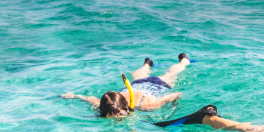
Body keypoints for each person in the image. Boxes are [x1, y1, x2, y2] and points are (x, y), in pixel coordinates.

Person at [61, 54, 189, 117]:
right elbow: (90, 98)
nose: (116, 117)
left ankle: (183, 61)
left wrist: (170, 106)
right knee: (138, 76)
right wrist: (73, 96)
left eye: (119, 114)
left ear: (125, 107)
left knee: (171, 74)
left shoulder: (145, 105)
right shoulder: (105, 105)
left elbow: (176, 94)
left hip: (156, 85)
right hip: (134, 85)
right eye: (112, 115)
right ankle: (147, 64)